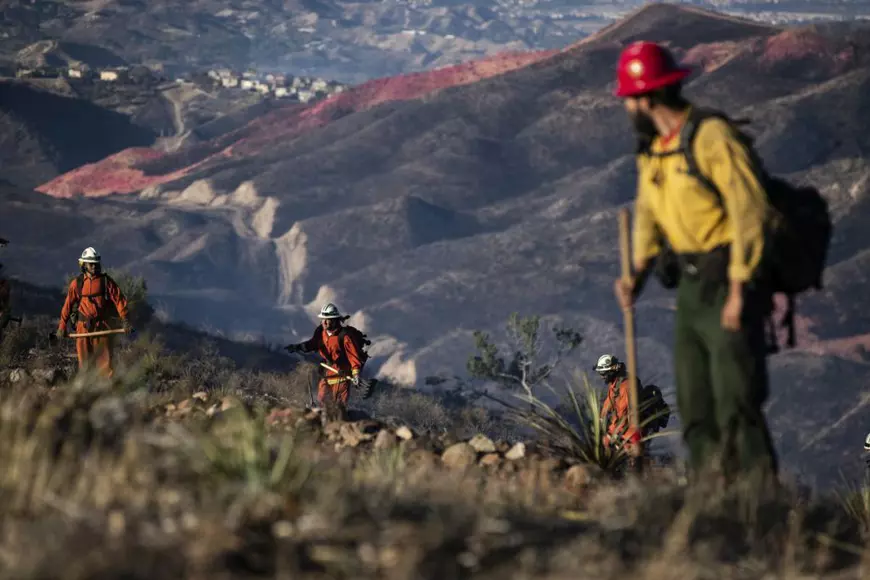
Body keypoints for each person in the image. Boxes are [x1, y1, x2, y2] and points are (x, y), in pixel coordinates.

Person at [611, 40, 778, 489]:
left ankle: (763, 508)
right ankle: (711, 501)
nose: (627, 106)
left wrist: (741, 292)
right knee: (695, 401)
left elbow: (749, 212)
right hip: (687, 286)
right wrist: (635, 277)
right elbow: (647, 215)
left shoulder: (710, 137)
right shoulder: (654, 150)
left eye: (629, 97)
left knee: (736, 401)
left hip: (727, 282)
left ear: (647, 98)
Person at [57, 247, 132, 378]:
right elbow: (67, 306)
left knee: (105, 367)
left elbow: (119, 299)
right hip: (83, 329)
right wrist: (62, 326)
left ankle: (107, 394)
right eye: (91, 264)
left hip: (102, 328)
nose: (94, 266)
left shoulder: (105, 282)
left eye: (96, 264)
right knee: (85, 367)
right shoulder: (77, 284)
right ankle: (87, 395)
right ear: (83, 265)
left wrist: (125, 320)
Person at [285, 303, 367, 421]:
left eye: (327, 320)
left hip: (342, 376)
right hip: (327, 373)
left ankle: (339, 428)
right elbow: (313, 344)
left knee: (338, 407)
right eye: (323, 319)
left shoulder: (344, 336)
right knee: (322, 400)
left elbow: (353, 356)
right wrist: (297, 347)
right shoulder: (320, 332)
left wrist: (356, 374)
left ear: (334, 320)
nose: (324, 322)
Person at [595, 354, 642, 456]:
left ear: (611, 371)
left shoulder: (626, 387)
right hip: (621, 430)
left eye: (603, 373)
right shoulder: (615, 385)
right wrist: (599, 421)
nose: (602, 377)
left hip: (630, 433)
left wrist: (611, 434)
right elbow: (608, 405)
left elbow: (624, 414)